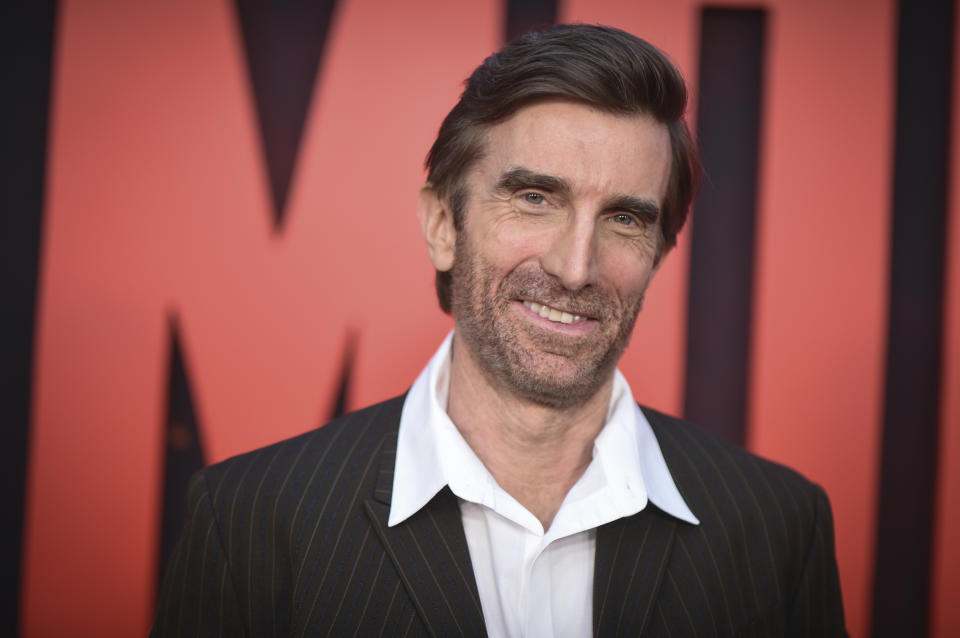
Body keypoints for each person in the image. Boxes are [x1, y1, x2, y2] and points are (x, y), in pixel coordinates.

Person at [153, 24, 846, 637]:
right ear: (442, 225)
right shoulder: (250, 521)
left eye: (625, 219)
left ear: (660, 254)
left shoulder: (777, 527)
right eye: (535, 198)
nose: (576, 269)